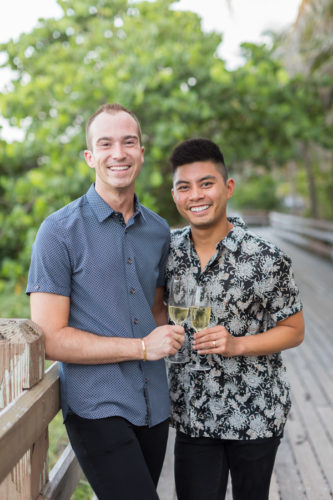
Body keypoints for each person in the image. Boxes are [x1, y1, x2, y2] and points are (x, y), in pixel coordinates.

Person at [26, 103, 184, 500]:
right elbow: (51, 339)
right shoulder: (59, 232)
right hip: (96, 406)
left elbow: (155, 310)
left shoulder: (159, 230)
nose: (119, 153)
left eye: (129, 142)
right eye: (106, 143)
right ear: (90, 157)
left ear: (142, 153)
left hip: (153, 405)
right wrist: (143, 347)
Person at [166, 138, 305, 500]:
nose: (196, 195)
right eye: (185, 186)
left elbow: (294, 330)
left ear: (227, 188)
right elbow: (153, 310)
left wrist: (237, 344)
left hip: (256, 411)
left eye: (206, 183)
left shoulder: (266, 258)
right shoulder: (166, 253)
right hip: (194, 415)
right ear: (175, 195)